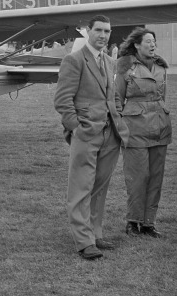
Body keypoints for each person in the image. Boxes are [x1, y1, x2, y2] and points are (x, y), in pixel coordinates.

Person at [54, 15, 129, 260]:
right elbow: (63, 100)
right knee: (80, 188)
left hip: (111, 134)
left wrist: (117, 115)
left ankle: (95, 234)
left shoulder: (109, 61)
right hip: (86, 133)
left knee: (99, 188)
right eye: (98, 30)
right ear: (88, 31)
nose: (103, 36)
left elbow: (113, 96)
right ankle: (84, 241)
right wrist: (75, 128)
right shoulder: (73, 60)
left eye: (107, 31)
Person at [115, 27, 171, 238]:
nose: (152, 44)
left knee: (156, 177)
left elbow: (162, 96)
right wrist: (120, 126)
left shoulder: (160, 66)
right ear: (136, 44)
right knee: (138, 177)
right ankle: (133, 221)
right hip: (135, 128)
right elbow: (117, 98)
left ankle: (149, 223)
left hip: (160, 126)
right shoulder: (124, 65)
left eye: (154, 41)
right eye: (148, 41)